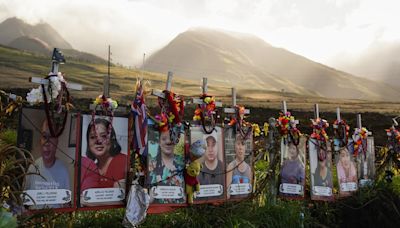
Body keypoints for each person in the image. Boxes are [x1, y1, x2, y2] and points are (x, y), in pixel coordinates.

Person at [25, 120, 70, 208]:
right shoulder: (32, 168)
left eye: (51, 137)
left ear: (56, 142)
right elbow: (24, 201)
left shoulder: (63, 170)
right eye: (45, 137)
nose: (47, 143)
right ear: (40, 140)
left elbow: (66, 204)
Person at [81, 118, 127, 190]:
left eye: (103, 136)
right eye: (93, 137)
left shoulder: (123, 161)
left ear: (112, 139)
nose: (98, 141)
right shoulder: (90, 169)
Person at [148, 130, 185, 203]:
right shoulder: (151, 164)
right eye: (164, 139)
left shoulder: (182, 162)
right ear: (159, 142)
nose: (168, 142)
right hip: (157, 207)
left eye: (171, 138)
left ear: (176, 141)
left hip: (179, 206)